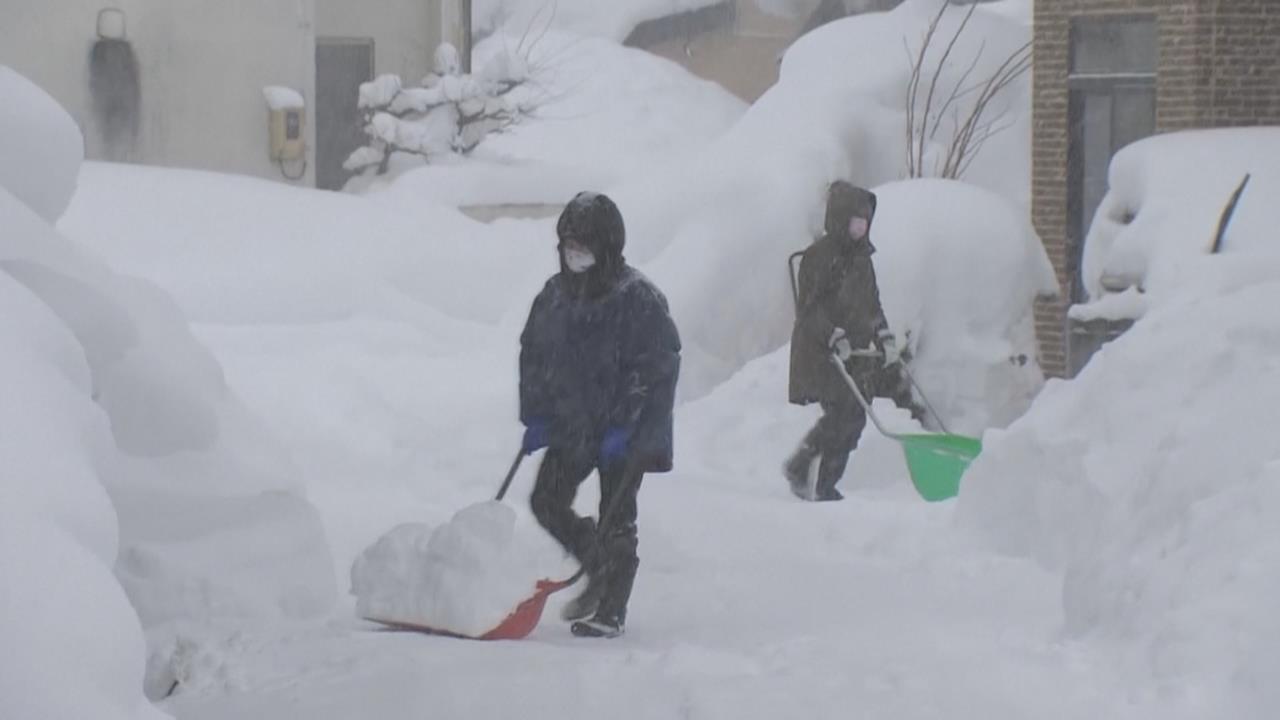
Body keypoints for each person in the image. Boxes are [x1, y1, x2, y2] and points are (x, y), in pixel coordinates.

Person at [518, 191, 681, 638]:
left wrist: (627, 425)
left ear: (606, 249)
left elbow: (657, 367)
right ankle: (597, 563)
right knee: (546, 500)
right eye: (568, 246)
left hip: (625, 432)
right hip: (574, 424)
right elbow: (534, 356)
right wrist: (537, 414)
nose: (574, 255)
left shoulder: (638, 299)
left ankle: (611, 608)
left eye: (583, 248)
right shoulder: (554, 296)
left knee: (617, 515)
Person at [784, 181, 898, 502]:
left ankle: (816, 476)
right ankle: (809, 473)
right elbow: (810, 310)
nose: (861, 229)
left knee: (854, 417)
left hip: (854, 352)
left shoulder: (863, 259)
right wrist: (832, 335)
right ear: (841, 219)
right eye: (856, 222)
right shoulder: (818, 258)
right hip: (819, 350)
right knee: (843, 413)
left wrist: (883, 335)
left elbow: (871, 304)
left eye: (865, 224)